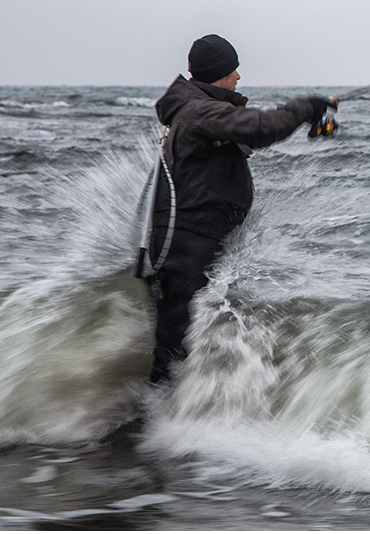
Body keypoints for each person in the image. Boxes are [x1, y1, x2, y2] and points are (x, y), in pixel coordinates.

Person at [142, 34, 337, 384]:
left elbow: (242, 134)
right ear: (219, 73)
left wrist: (305, 119)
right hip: (188, 243)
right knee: (175, 343)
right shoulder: (201, 111)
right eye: (233, 69)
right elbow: (261, 128)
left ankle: (170, 412)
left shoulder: (196, 111)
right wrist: (305, 106)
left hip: (188, 238)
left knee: (178, 337)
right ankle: (156, 422)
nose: (238, 77)